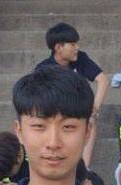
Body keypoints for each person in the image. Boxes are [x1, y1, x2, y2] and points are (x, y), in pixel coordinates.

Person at [36, 23, 109, 169]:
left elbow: (103, 80)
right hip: (54, 113)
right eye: (73, 44)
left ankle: (84, 169)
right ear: (58, 47)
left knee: (90, 120)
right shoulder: (43, 69)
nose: (77, 48)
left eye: (77, 44)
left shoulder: (81, 58)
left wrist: (95, 106)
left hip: (78, 109)